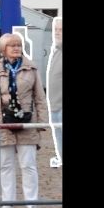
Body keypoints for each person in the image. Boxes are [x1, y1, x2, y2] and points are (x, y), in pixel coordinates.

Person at [0, 33, 49, 208]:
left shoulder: (31, 68)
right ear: (3, 50)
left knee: (28, 164)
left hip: (27, 121)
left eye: (19, 45)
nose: (17, 48)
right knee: (5, 164)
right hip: (2, 121)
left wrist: (42, 121)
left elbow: (39, 97)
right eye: (12, 45)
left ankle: (31, 204)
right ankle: (7, 203)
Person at [47, 17, 62, 166]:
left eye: (61, 30)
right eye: (55, 30)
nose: (57, 33)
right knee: (58, 134)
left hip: (61, 104)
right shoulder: (56, 49)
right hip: (54, 103)